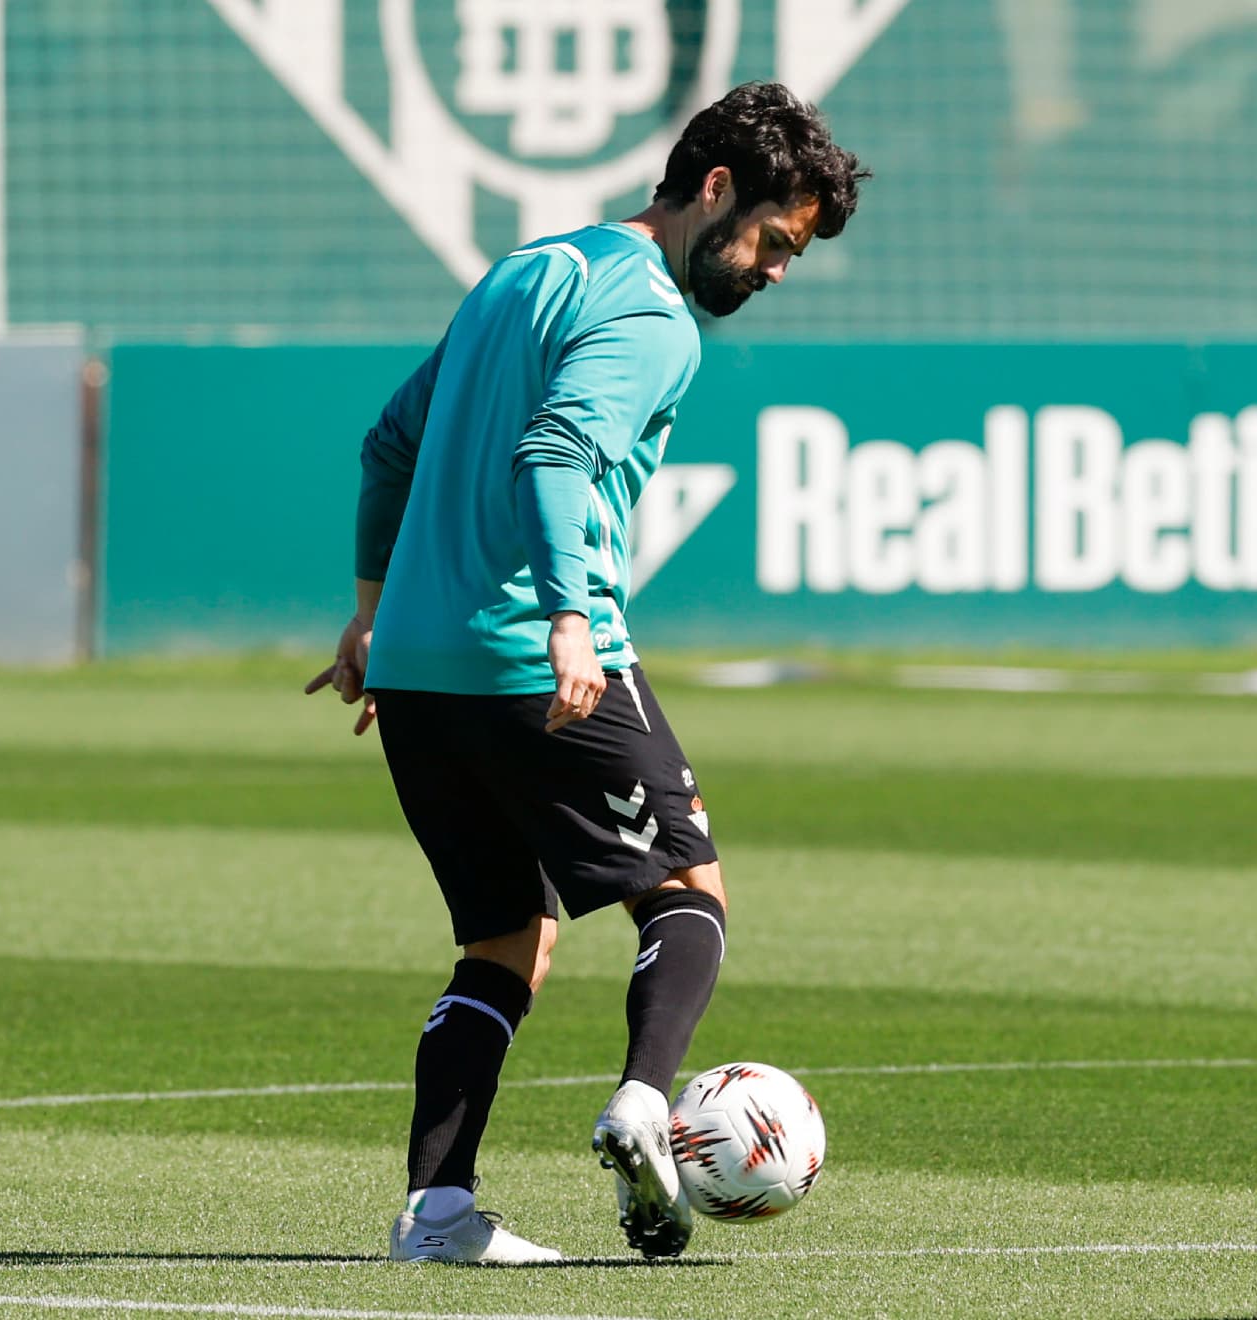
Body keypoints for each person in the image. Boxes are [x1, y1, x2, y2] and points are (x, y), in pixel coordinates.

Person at [306, 81, 867, 1264]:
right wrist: (570, 619)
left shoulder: (523, 271)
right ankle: (645, 1103)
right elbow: (557, 450)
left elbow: (388, 445)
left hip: (416, 668)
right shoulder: (656, 316)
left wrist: (367, 617)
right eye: (773, 239)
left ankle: (438, 1212)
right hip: (539, 659)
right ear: (713, 189)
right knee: (688, 892)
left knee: (507, 941)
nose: (773, 270)